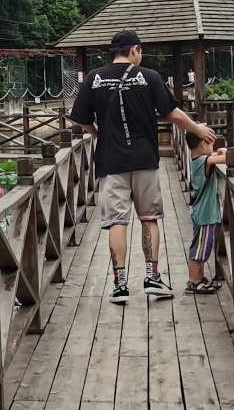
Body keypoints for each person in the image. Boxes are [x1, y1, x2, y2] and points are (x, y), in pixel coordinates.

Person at [70, 31, 215, 302]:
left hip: (111, 162)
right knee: (149, 218)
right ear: (135, 49)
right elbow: (172, 113)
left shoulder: (94, 78)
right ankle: (152, 278)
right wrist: (198, 128)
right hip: (144, 159)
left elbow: (81, 119)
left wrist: (101, 136)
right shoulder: (148, 77)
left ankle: (120, 284)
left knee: (116, 221)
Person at [186, 132, 227, 293]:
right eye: (211, 144)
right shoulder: (204, 161)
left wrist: (218, 151)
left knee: (202, 248)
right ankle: (192, 282)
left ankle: (199, 279)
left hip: (202, 212)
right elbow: (230, 157)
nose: (213, 148)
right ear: (203, 144)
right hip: (204, 213)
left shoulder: (198, 160)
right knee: (198, 249)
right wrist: (223, 150)